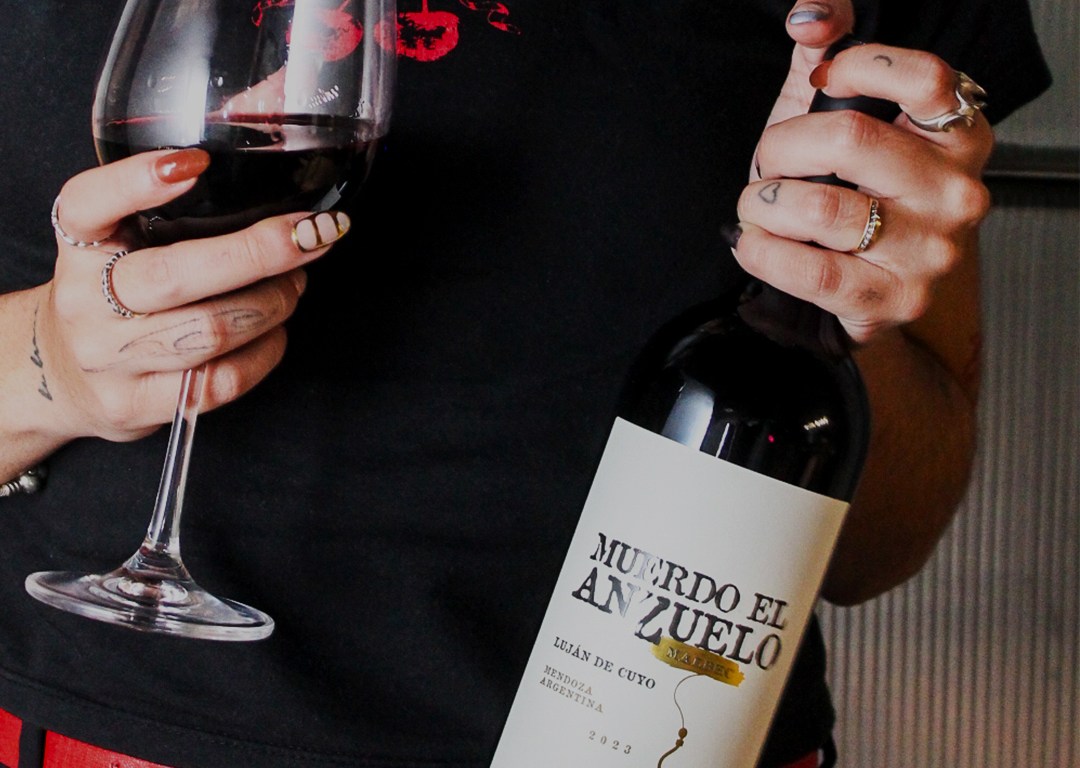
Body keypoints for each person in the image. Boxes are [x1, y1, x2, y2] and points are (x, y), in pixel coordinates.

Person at [0, 0, 1050, 766]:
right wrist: (54, 367)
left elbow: (882, 545)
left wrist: (826, 306)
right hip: (112, 732)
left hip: (657, 741)